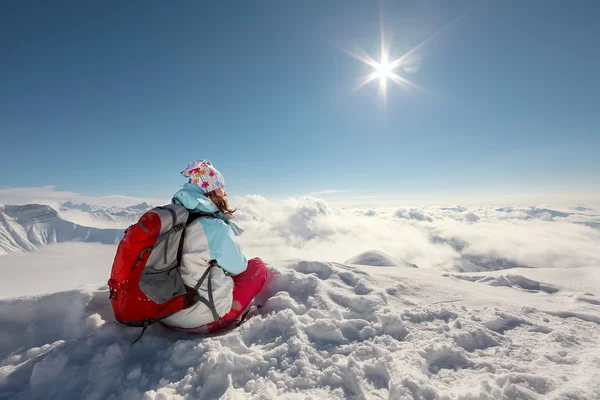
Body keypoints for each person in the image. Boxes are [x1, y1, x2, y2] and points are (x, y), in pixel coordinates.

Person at [161, 159, 268, 333]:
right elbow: (239, 267)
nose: (225, 193)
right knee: (258, 266)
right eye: (222, 187)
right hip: (199, 318)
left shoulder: (171, 218)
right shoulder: (213, 226)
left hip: (164, 313)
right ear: (215, 190)